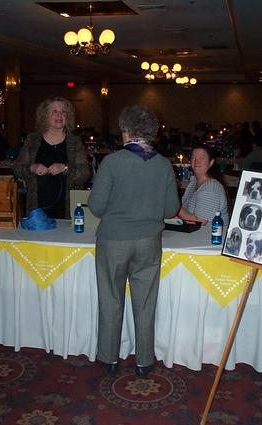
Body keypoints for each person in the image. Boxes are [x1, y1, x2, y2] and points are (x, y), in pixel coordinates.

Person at [88, 105, 180, 378]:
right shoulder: (163, 164)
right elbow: (170, 210)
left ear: (125, 131)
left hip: (113, 241)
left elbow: (96, 207)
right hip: (149, 241)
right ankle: (144, 361)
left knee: (110, 298)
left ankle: (109, 358)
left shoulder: (112, 162)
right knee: (145, 301)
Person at [13, 97, 90, 218]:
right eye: (54, 111)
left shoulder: (75, 142)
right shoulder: (32, 140)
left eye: (63, 112)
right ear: (44, 115)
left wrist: (65, 168)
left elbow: (85, 174)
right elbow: (17, 168)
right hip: (37, 208)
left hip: (67, 209)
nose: (59, 115)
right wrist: (32, 168)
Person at [179, 145, 229, 224]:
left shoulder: (211, 188)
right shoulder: (193, 182)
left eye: (201, 158)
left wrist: (174, 208)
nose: (196, 161)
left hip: (208, 231)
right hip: (194, 230)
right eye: (193, 158)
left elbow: (202, 222)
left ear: (211, 162)